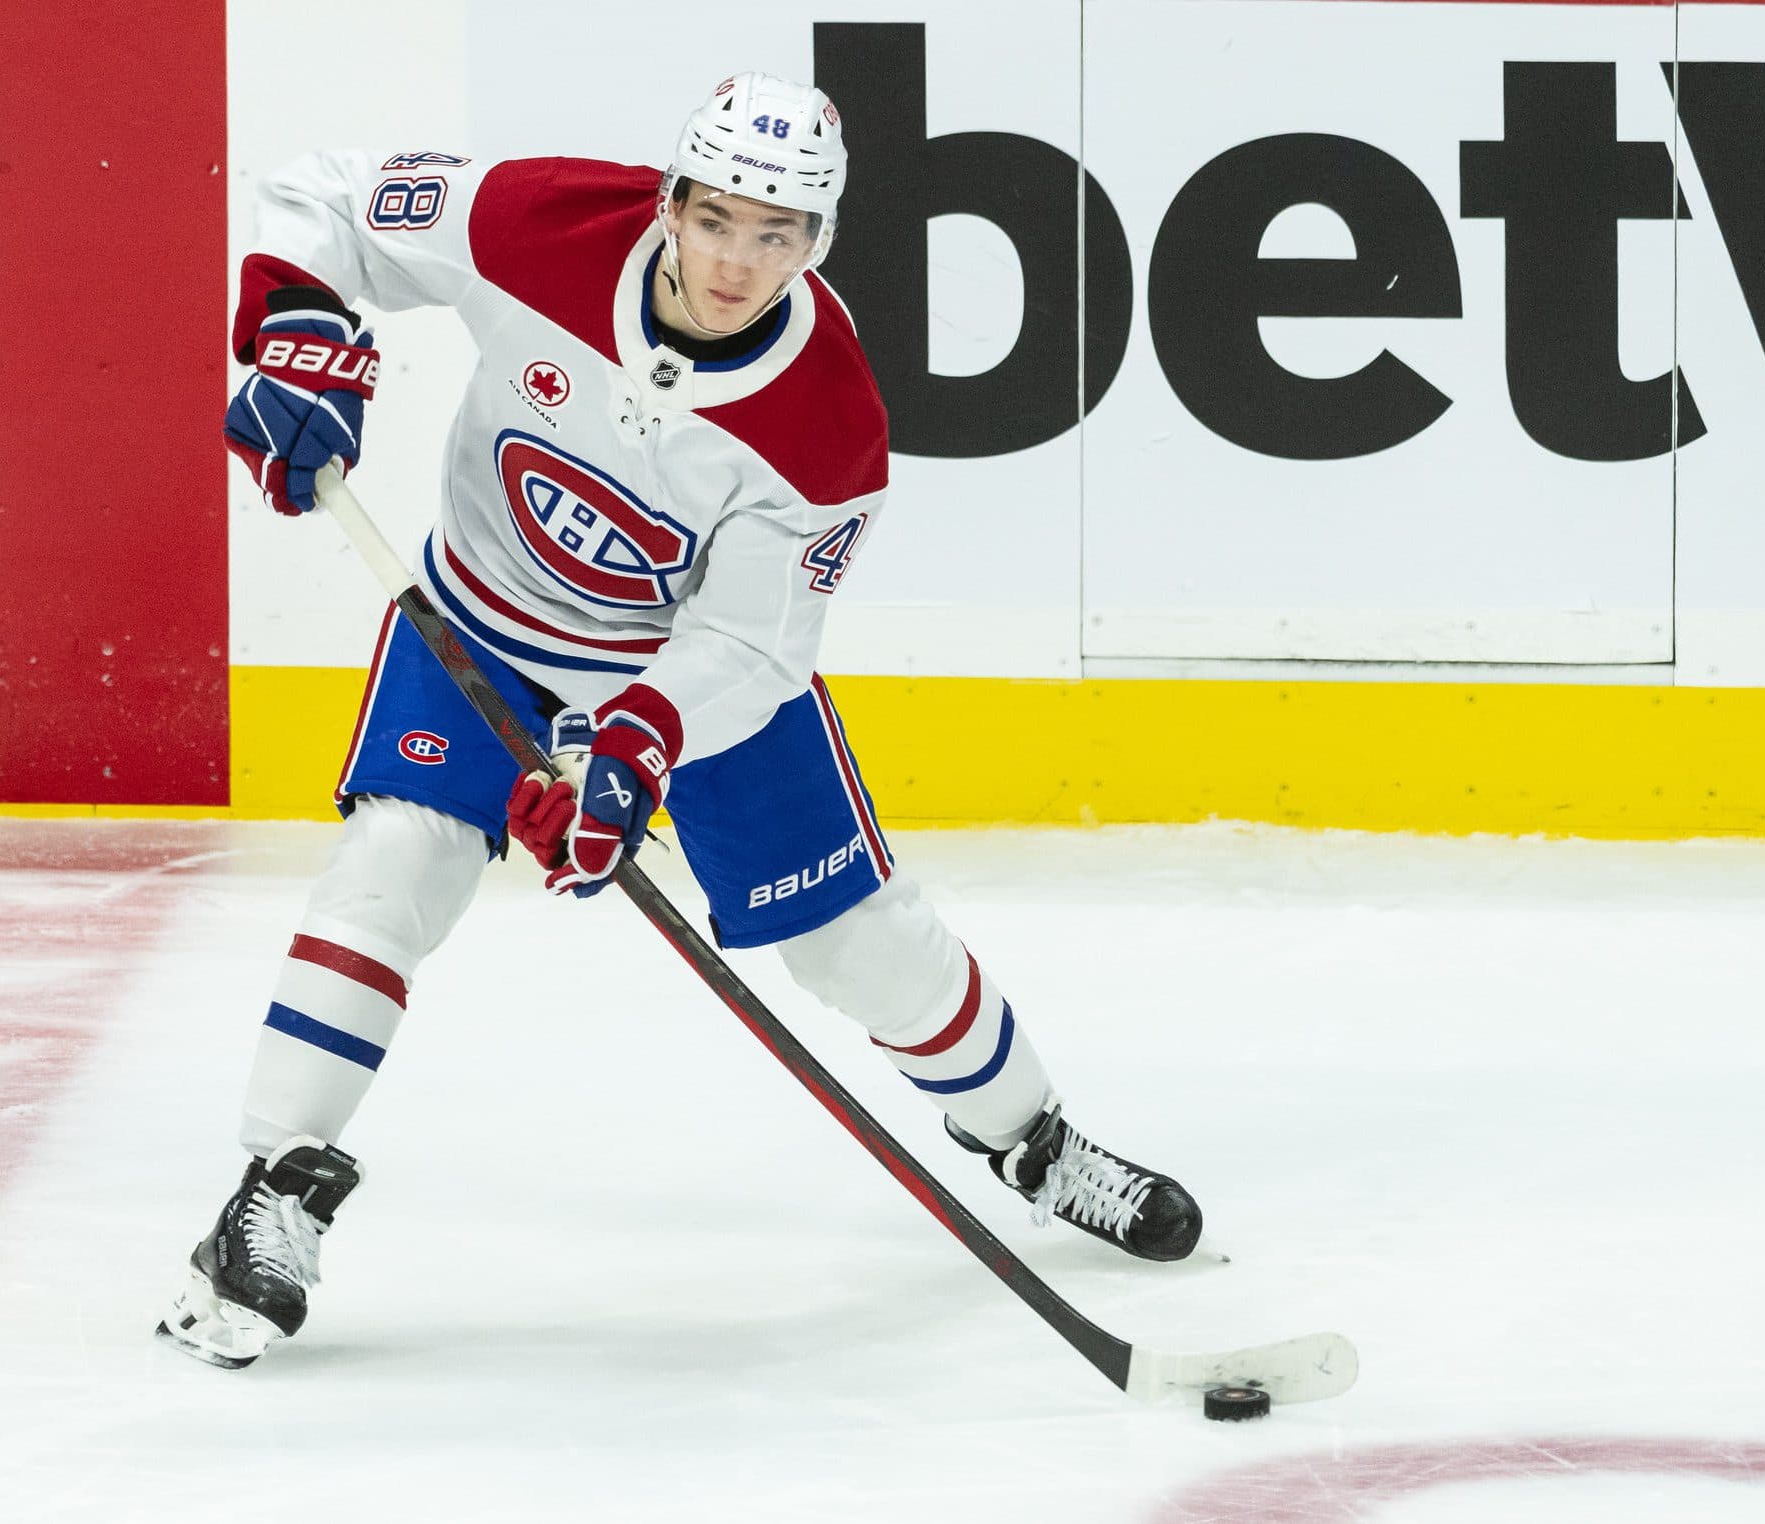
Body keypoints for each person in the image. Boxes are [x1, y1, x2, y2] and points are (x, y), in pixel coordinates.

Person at [157, 72, 1201, 1370]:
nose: (736, 260)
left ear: (814, 242)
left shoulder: (827, 423)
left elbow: (751, 645)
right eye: (716, 220)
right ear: (672, 200)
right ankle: (274, 1188)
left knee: (858, 949)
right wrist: (297, 325)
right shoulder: (539, 223)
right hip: (478, 621)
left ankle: (1034, 1139)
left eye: (777, 235)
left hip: (687, 687)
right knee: (394, 867)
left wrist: (628, 748)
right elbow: (329, 198)